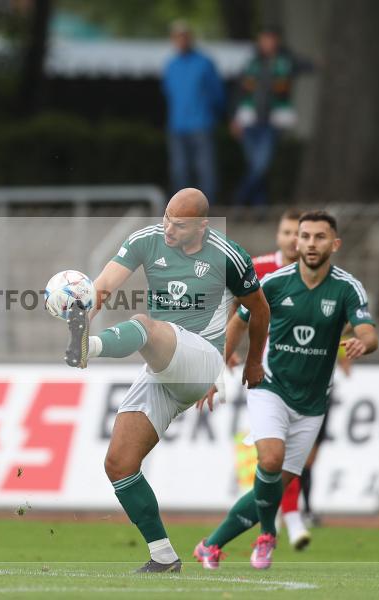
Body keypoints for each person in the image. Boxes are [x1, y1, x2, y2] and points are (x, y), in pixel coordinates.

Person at [64, 188, 270, 572]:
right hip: (163, 366)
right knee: (119, 463)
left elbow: (258, 309)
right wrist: (84, 315)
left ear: (202, 226)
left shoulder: (228, 255)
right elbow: (105, 285)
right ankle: (163, 556)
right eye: (166, 219)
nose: (168, 229)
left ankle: (89, 349)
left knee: (145, 324)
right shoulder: (147, 240)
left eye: (178, 225)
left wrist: (253, 362)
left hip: (203, 359)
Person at [193, 210, 378, 570]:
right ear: (297, 242)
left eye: (319, 237)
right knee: (271, 461)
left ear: (334, 244)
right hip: (269, 386)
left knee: (273, 486)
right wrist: (217, 369)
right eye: (305, 237)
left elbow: (368, 330)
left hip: (313, 401)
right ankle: (267, 536)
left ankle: (211, 544)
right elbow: (239, 322)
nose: (311, 243)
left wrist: (362, 343)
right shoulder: (275, 283)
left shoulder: (346, 287)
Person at [231, 26, 308, 206]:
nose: (268, 43)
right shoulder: (251, 63)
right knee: (256, 167)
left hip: (271, 122)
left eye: (271, 39)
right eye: (264, 39)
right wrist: (234, 117)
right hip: (249, 121)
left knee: (260, 166)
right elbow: (239, 92)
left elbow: (304, 65)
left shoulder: (285, 62)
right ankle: (260, 206)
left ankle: (238, 199)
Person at [162, 21, 226, 201]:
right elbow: (169, 93)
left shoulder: (204, 63)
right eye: (177, 37)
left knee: (205, 168)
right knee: (179, 169)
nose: (181, 40)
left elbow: (217, 93)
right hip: (177, 125)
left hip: (201, 123)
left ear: (190, 38)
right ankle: (182, 208)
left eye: (184, 36)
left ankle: (208, 207)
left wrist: (212, 114)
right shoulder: (171, 65)